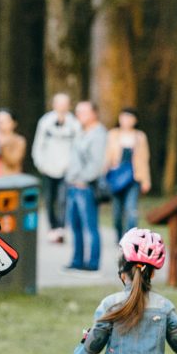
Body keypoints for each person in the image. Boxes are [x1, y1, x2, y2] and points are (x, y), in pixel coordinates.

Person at [65, 101, 107, 271]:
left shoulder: (98, 134)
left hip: (86, 187)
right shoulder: (81, 132)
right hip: (73, 185)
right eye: (77, 112)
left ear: (94, 113)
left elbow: (96, 164)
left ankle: (93, 263)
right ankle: (77, 260)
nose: (79, 115)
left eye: (83, 112)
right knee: (75, 226)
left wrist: (84, 180)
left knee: (90, 226)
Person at [33, 93, 80, 243]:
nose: (62, 107)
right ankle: (52, 227)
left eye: (65, 103)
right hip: (48, 167)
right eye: (59, 103)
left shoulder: (74, 123)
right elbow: (38, 145)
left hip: (66, 169)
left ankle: (60, 228)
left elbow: (77, 146)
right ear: (54, 105)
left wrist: (73, 167)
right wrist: (40, 164)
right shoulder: (45, 122)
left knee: (62, 200)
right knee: (49, 199)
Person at [104, 107, 151, 242]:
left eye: (130, 118)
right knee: (117, 213)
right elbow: (106, 156)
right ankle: (119, 238)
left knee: (131, 211)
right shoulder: (112, 134)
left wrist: (146, 180)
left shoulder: (140, 136)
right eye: (124, 117)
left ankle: (131, 241)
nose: (126, 121)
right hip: (115, 178)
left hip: (134, 178)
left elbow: (144, 159)